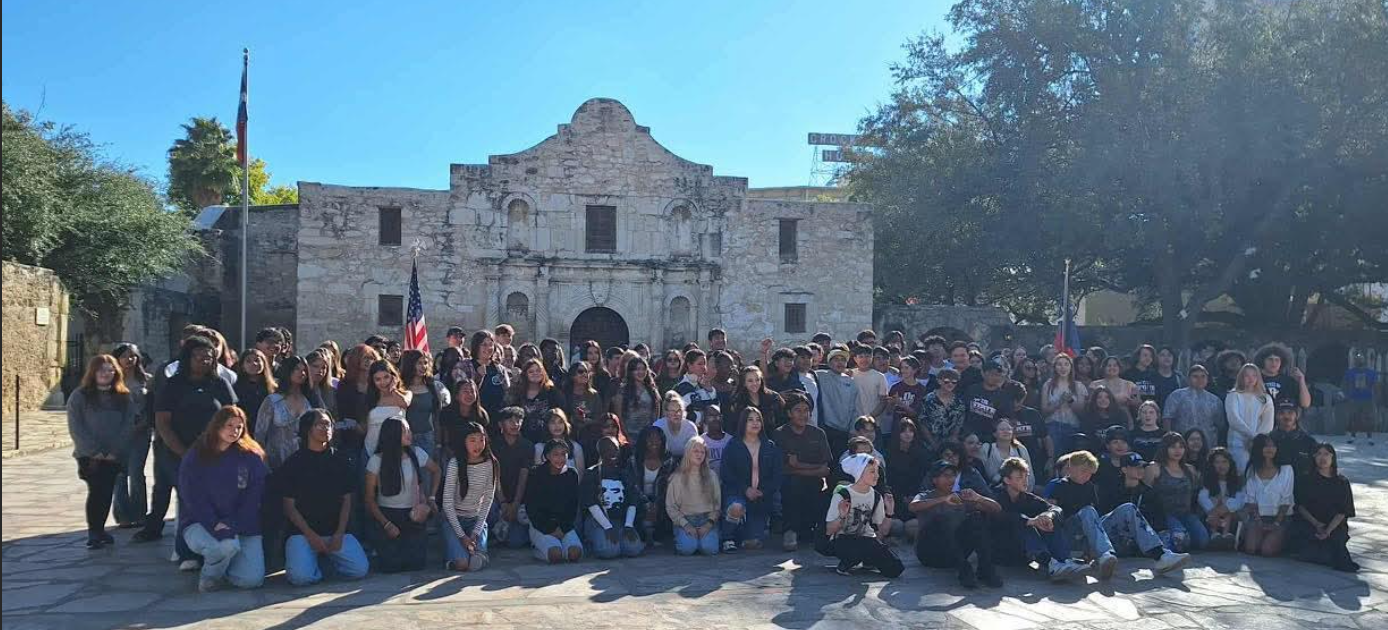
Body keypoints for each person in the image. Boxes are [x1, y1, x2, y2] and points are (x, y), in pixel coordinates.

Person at [136, 335, 238, 571]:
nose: (205, 360)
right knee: (189, 500)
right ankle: (187, 552)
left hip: (215, 452)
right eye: (199, 356)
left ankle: (214, 546)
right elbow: (163, 422)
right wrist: (183, 452)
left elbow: (232, 415)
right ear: (188, 358)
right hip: (177, 452)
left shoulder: (220, 384)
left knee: (214, 500)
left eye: (209, 356)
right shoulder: (174, 385)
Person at [1043, 450, 1189, 580]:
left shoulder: (1089, 487)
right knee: (1087, 510)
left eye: (1090, 473)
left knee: (1128, 508)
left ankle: (1161, 555)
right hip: (1068, 533)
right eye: (1083, 471)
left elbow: (1095, 519)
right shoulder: (1056, 485)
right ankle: (1105, 554)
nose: (1087, 476)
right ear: (1070, 468)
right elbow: (1049, 514)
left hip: (1090, 534)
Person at [178, 407, 268, 591]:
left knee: (251, 580)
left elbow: (253, 498)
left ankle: (224, 564)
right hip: (200, 522)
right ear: (217, 426)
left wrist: (231, 522)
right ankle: (210, 578)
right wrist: (214, 522)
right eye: (229, 425)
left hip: (242, 524)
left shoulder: (251, 457)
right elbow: (192, 497)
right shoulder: (196, 455)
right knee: (225, 545)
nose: (234, 431)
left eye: (239, 427)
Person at [279, 410, 369, 586]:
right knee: (300, 578)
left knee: (359, 570)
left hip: (336, 532)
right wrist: (310, 535)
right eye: (320, 424)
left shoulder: (342, 459)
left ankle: (325, 562)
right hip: (303, 534)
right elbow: (289, 506)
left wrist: (340, 532)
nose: (326, 428)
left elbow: (347, 500)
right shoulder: (293, 463)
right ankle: (312, 562)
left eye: (328, 424)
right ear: (307, 429)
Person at [67, 355, 137, 549]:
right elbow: (76, 427)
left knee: (106, 491)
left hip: (114, 455)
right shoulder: (80, 396)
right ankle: (94, 531)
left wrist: (115, 451)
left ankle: (100, 529)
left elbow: (128, 425)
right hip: (89, 456)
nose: (106, 374)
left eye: (110, 370)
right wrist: (93, 451)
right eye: (101, 370)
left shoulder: (123, 397)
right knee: (97, 490)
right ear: (93, 372)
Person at [991, 457, 1091, 582]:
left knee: (1047, 520)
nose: (1025, 481)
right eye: (1019, 478)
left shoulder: (1027, 497)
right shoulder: (995, 496)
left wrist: (1048, 516)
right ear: (1007, 480)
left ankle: (1063, 560)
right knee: (1027, 524)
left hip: (1023, 554)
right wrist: (1030, 521)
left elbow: (1055, 508)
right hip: (1001, 552)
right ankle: (1051, 564)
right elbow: (1002, 516)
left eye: (1026, 476)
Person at [364, 417, 440, 573]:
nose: (409, 434)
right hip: (387, 515)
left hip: (412, 515)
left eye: (409, 430)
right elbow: (369, 499)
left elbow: (437, 470)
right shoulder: (376, 460)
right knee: (391, 566)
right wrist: (386, 524)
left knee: (416, 564)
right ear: (392, 433)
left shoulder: (416, 453)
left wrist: (431, 497)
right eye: (404, 430)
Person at [910, 460, 1002, 588]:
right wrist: (943, 500)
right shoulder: (926, 496)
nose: (950, 479)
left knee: (976, 518)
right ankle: (964, 570)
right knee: (941, 521)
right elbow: (913, 506)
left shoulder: (961, 497)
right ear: (935, 480)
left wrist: (978, 498)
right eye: (946, 476)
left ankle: (985, 568)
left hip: (955, 554)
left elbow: (997, 509)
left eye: (953, 476)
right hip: (930, 554)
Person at [823, 454, 904, 577]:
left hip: (866, 539)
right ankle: (848, 561)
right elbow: (829, 530)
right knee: (858, 547)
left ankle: (866, 559)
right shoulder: (843, 493)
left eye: (877, 471)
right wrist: (841, 516)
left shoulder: (876, 496)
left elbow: (883, 532)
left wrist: (889, 512)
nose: (876, 475)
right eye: (872, 472)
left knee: (895, 568)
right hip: (841, 539)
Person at [775, 392, 832, 552]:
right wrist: (813, 469)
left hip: (815, 484)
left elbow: (825, 469)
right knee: (793, 485)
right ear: (789, 413)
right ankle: (790, 531)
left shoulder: (818, 434)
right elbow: (783, 469)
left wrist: (798, 466)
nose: (803, 414)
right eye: (798, 410)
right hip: (790, 484)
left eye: (806, 410)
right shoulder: (780, 434)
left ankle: (815, 531)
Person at [719, 407, 782, 552]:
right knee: (736, 507)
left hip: (760, 499)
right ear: (743, 423)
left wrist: (763, 491)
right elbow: (726, 473)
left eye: (758, 419)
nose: (755, 423)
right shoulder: (733, 445)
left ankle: (742, 533)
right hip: (737, 494)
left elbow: (777, 475)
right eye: (750, 420)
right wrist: (745, 489)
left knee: (753, 542)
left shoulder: (770, 446)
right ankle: (727, 537)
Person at [1291, 443, 1358, 572]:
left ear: (1333, 457)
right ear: (1314, 457)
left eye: (1326, 454)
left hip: (1334, 525)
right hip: (1311, 523)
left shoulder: (1341, 482)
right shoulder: (1306, 479)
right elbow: (1300, 506)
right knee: (1307, 546)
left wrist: (1328, 530)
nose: (1323, 458)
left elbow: (1343, 511)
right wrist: (1317, 524)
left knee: (1336, 546)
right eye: (1319, 454)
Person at [441, 421, 497, 572]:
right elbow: (447, 503)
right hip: (454, 521)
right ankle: (453, 558)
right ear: (463, 442)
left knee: (476, 561)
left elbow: (488, 498)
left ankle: (479, 552)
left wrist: (476, 531)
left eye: (481, 439)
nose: (478, 445)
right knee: (462, 564)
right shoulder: (455, 464)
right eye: (472, 440)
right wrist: (462, 536)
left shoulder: (490, 463)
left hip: (475, 519)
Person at [579, 435, 646, 559]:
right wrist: (607, 527)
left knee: (633, 549)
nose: (611, 452)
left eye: (614, 448)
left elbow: (633, 500)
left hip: (620, 520)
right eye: (606, 449)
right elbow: (591, 503)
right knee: (610, 551)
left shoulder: (624, 472)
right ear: (599, 452)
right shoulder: (591, 473)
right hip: (598, 521)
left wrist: (628, 525)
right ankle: (592, 540)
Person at [111, 343, 152, 530]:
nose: (130, 360)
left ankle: (140, 514)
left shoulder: (147, 381)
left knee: (136, 473)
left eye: (133, 356)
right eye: (126, 356)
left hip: (140, 433)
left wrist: (143, 424)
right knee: (119, 475)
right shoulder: (110, 381)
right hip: (116, 435)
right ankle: (123, 516)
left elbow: (152, 407)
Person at [1147, 432, 1208, 552]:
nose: (1177, 450)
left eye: (1181, 446)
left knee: (1203, 541)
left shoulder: (1190, 469)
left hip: (1186, 514)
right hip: (1164, 514)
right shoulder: (1154, 468)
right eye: (1173, 447)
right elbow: (1144, 495)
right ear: (1165, 448)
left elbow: (1196, 494)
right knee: (1179, 542)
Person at [400, 350, 451, 490]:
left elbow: (436, 417)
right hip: (404, 439)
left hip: (426, 437)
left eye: (425, 362)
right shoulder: (401, 387)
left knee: (425, 479)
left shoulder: (432, 387)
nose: (423, 366)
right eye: (419, 363)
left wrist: (438, 442)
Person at [527, 439, 584, 563]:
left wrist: (563, 528)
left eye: (563, 454)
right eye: (556, 454)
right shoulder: (536, 473)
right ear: (547, 456)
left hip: (564, 525)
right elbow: (531, 508)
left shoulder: (572, 474)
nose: (560, 458)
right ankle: (538, 550)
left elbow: (573, 506)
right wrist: (550, 528)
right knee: (555, 555)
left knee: (575, 554)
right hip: (541, 524)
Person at [255, 356, 313, 470]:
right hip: (275, 463)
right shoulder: (273, 401)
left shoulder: (308, 401)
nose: (302, 373)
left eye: (305, 370)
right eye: (297, 369)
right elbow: (259, 435)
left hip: (302, 463)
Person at [1240, 433, 1294, 557]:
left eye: (1273, 446)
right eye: (1266, 446)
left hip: (1280, 518)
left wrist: (1276, 523)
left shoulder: (1287, 470)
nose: (1270, 449)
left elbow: (1286, 500)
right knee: (1251, 549)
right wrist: (1259, 521)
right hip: (1258, 517)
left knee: (1267, 551)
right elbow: (1251, 499)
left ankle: (1281, 539)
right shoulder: (1252, 469)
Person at [666, 436, 722, 556]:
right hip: (685, 520)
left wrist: (709, 524)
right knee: (687, 549)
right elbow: (671, 506)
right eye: (695, 451)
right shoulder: (677, 477)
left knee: (710, 549)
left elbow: (717, 504)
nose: (699, 455)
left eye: (702, 452)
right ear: (688, 453)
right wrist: (685, 525)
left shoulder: (712, 476)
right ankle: (685, 540)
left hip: (706, 519)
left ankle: (704, 540)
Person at [490, 407, 533, 549]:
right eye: (510, 420)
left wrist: (515, 503)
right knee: (490, 511)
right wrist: (502, 501)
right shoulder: (492, 445)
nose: (515, 424)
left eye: (518, 420)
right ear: (500, 424)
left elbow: (524, 475)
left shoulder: (527, 445)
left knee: (516, 542)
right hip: (497, 497)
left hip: (520, 500)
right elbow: (493, 473)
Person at [883, 417, 930, 541]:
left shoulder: (922, 454)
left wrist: (914, 496)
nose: (908, 434)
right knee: (896, 526)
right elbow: (889, 480)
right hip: (894, 499)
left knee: (912, 527)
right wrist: (898, 496)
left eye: (911, 431)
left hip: (916, 499)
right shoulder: (889, 453)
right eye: (904, 431)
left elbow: (924, 480)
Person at [1226, 364, 1274, 472]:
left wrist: (1256, 440)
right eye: (1247, 376)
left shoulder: (1265, 398)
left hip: (1258, 444)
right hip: (1237, 442)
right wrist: (1251, 436)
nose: (1251, 379)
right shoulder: (1233, 395)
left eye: (1254, 375)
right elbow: (1233, 419)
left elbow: (1268, 424)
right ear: (1241, 377)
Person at [1162, 365, 1224, 445]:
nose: (1199, 379)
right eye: (1195, 376)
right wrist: (1169, 440)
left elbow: (1220, 425)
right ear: (1188, 379)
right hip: (1181, 444)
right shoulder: (1176, 396)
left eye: (1203, 376)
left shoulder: (1215, 400)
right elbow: (1167, 418)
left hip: (1207, 443)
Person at [510, 358, 565, 445]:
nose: (535, 373)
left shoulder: (552, 392)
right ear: (525, 374)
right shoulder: (519, 393)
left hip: (547, 439)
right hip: (525, 439)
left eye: (538, 370)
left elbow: (562, 412)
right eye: (531, 371)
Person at [1198, 447, 1245, 549]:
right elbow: (1202, 498)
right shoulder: (1206, 480)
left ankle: (1226, 535)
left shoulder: (1237, 480)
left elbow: (1240, 500)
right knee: (1214, 500)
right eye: (1217, 462)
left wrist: (1224, 507)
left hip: (1230, 516)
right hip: (1210, 516)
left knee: (1228, 503)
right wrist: (1213, 510)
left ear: (1230, 463)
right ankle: (1214, 535)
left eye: (1224, 462)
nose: (1221, 466)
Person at [364, 360, 413, 457]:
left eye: (386, 377)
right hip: (370, 448)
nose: (383, 382)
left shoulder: (405, 394)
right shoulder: (370, 398)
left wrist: (393, 389)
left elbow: (404, 403)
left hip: (395, 450)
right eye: (377, 379)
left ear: (393, 376)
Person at [814, 348, 857, 453]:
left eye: (843, 359)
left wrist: (852, 429)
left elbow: (854, 407)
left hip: (844, 430)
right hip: (826, 427)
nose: (840, 362)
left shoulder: (851, 382)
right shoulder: (819, 375)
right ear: (829, 362)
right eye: (836, 359)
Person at [610, 357, 661, 439]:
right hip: (629, 434)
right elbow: (619, 416)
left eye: (643, 369)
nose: (641, 372)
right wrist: (625, 436)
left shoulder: (652, 390)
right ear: (631, 371)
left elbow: (656, 413)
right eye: (637, 369)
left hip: (647, 434)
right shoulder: (622, 391)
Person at [233, 349, 277, 440]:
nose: (254, 364)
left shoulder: (275, 388)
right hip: (245, 433)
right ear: (242, 366)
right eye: (248, 361)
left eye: (257, 360)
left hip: (271, 434)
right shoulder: (235, 388)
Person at [727, 366, 786, 433]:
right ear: (744, 383)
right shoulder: (737, 401)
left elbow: (783, 420)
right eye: (750, 381)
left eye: (757, 380)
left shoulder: (774, 397)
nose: (754, 384)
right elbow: (734, 426)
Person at [530, 408, 586, 478]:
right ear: (547, 425)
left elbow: (580, 475)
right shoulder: (539, 448)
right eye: (553, 422)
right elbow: (538, 475)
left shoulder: (576, 447)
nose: (557, 426)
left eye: (560, 422)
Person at [1254, 343, 1310, 410]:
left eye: (1277, 360)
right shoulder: (1253, 379)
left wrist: (1301, 380)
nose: (1274, 363)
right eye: (1270, 359)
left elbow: (1305, 404)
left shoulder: (1289, 382)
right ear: (1263, 361)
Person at [921, 368, 966, 452]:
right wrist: (933, 444)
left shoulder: (959, 402)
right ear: (939, 381)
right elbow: (922, 423)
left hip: (950, 447)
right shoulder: (928, 399)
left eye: (954, 382)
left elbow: (958, 425)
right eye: (946, 381)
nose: (950, 384)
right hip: (928, 445)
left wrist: (951, 441)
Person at [980, 419, 1033, 488]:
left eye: (1009, 429)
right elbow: (980, 474)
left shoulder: (1021, 449)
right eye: (1002, 429)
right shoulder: (986, 448)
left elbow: (1030, 476)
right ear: (995, 434)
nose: (1006, 432)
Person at [674, 349, 720, 425]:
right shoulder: (683, 386)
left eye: (705, 364)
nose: (704, 367)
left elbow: (716, 408)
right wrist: (703, 415)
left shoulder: (705, 385)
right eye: (699, 364)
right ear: (689, 365)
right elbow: (685, 413)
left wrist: (710, 391)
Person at [1341, 354, 1380, 445]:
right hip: (1354, 398)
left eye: (1361, 360)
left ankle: (1369, 438)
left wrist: (1376, 397)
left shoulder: (1371, 372)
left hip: (1367, 398)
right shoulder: (1350, 372)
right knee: (1354, 418)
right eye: (1358, 360)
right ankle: (1353, 437)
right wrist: (1346, 395)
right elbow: (1345, 384)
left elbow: (1376, 386)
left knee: (1368, 418)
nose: (1359, 362)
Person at [563, 360, 605, 441]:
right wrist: (575, 418)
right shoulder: (565, 395)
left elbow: (599, 417)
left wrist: (586, 420)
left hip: (591, 434)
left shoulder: (594, 395)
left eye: (586, 371)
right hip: (570, 434)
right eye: (580, 372)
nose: (584, 374)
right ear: (572, 376)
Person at [1269, 401, 1317, 471]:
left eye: (1290, 413)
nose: (1286, 416)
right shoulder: (1269, 441)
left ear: (1297, 415)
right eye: (1282, 413)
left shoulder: (1309, 443)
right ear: (1276, 416)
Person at [652, 391, 700, 459]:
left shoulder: (690, 427)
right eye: (672, 411)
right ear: (666, 412)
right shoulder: (658, 426)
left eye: (679, 410)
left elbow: (694, 453)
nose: (676, 414)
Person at [792, 345, 822, 427]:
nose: (807, 360)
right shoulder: (790, 377)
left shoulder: (813, 375)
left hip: (815, 424)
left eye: (809, 358)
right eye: (802, 357)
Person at [699, 405, 732, 476]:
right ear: (705, 419)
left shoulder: (731, 441)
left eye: (718, 415)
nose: (715, 418)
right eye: (711, 416)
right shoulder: (700, 441)